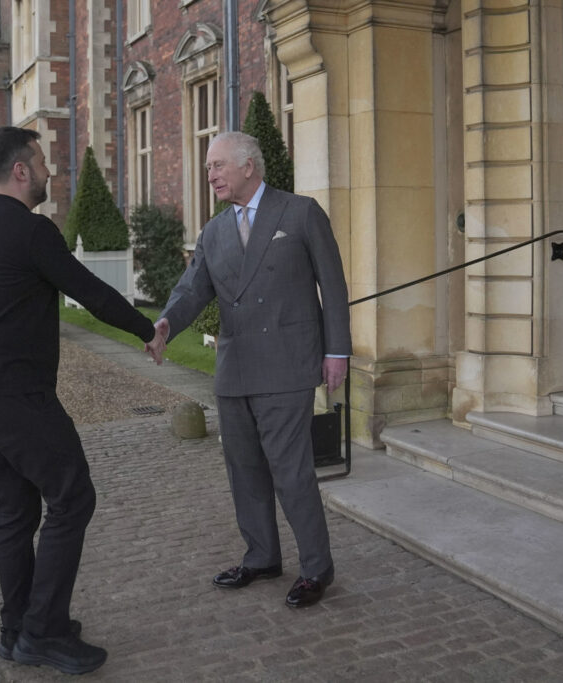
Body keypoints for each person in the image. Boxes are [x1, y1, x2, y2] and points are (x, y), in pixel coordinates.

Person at [0, 126, 165, 675]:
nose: (50, 172)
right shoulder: (33, 230)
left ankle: (16, 627)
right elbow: (89, 290)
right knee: (73, 497)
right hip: (17, 393)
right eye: (43, 163)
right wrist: (148, 328)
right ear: (21, 171)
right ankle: (42, 632)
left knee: (15, 510)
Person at [151, 131, 351, 608]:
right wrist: (163, 325)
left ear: (248, 165)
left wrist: (337, 351)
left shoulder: (300, 213)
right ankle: (262, 555)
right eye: (208, 168)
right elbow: (191, 289)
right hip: (234, 367)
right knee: (244, 471)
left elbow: (334, 286)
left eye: (218, 165)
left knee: (291, 471)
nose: (211, 175)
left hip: (288, 364)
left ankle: (316, 568)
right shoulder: (214, 230)